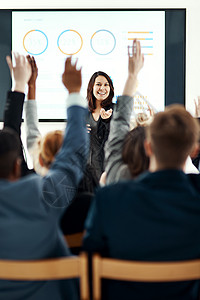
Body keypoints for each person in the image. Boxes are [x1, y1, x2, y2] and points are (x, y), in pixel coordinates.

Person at [83, 40, 200, 300]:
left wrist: (132, 75)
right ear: (193, 149)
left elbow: (116, 138)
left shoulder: (111, 196)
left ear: (148, 147)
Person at [0, 53, 88, 300]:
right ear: (17, 167)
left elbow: (13, 138)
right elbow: (73, 155)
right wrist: (74, 91)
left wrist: (20, 87)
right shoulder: (41, 194)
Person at [86, 71, 114, 180]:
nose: (102, 88)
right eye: (98, 84)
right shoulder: (83, 112)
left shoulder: (115, 110)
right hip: (87, 171)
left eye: (106, 85)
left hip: (108, 170)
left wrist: (107, 122)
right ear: (91, 87)